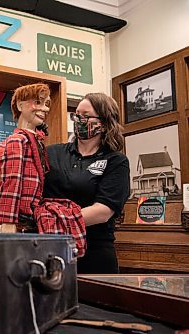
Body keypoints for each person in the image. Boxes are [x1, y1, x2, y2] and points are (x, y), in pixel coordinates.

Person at [0, 84, 87, 257]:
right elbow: (10, 183)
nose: (44, 109)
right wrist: (8, 225)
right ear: (20, 106)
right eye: (38, 102)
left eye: (47, 104)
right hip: (21, 222)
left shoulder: (35, 142)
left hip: (32, 220)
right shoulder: (17, 142)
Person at [43, 93, 130, 274]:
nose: (79, 120)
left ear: (104, 123)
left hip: (93, 254)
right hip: (50, 250)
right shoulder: (52, 153)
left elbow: (103, 212)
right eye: (76, 115)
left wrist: (53, 223)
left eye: (86, 116)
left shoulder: (116, 161)